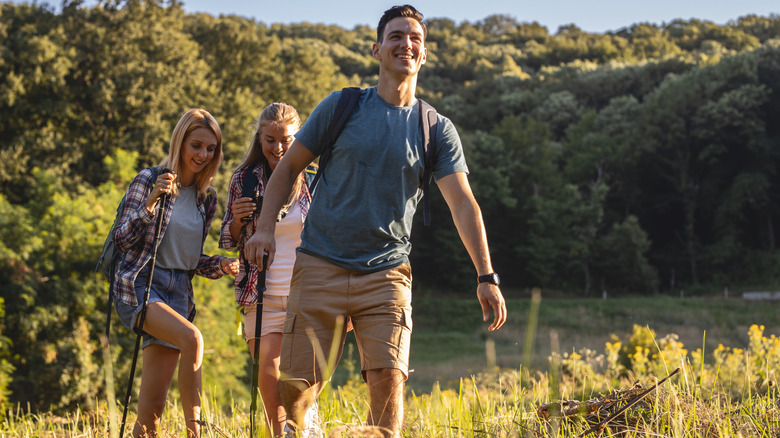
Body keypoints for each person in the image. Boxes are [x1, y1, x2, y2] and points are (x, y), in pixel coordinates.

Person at [244, 5, 507, 437]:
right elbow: (288, 167)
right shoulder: (342, 106)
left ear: (424, 54)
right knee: (297, 392)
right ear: (377, 49)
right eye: (397, 36)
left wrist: (486, 275)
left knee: (388, 382)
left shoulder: (435, 129)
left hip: (386, 275)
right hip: (319, 264)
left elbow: (463, 203)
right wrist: (265, 229)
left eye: (415, 38)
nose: (407, 44)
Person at [113, 108, 240, 438]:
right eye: (196, 145)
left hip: (178, 293)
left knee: (151, 413)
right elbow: (121, 238)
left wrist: (220, 265)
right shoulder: (149, 179)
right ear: (180, 142)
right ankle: (196, 432)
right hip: (142, 284)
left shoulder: (205, 198)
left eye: (211, 148)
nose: (203, 155)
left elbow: (190, 260)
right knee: (192, 339)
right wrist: (151, 201)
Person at [219, 102, 319, 437]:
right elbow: (228, 240)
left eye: (286, 141)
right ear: (259, 139)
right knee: (268, 372)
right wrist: (237, 220)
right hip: (260, 293)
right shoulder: (244, 179)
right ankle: (279, 434)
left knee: (300, 378)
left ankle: (302, 427)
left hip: (305, 293)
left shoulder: (314, 179)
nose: (278, 148)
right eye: (270, 140)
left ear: (299, 138)